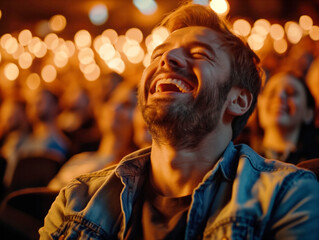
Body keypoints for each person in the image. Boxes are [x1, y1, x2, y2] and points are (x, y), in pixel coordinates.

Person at [40, 3, 319, 239]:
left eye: (199, 54)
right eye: (158, 54)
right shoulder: (77, 201)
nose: (168, 59)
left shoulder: (286, 195)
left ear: (238, 101)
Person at [47, 82, 138, 190]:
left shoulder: (128, 172)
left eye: (126, 105)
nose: (114, 107)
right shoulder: (80, 158)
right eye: (112, 101)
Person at [257, 71, 319, 164]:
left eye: (291, 93)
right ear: (259, 105)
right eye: (272, 92)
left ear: (308, 114)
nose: (280, 96)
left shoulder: (314, 166)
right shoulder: (237, 156)